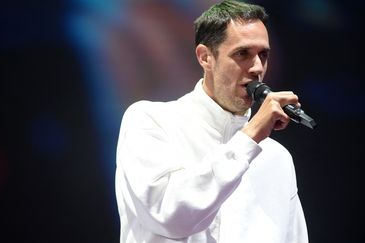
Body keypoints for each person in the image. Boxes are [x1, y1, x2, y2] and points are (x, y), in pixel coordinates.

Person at [115, 0, 308, 242]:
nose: (257, 67)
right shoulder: (150, 121)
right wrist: (250, 137)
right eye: (242, 54)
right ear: (205, 57)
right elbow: (172, 218)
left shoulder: (276, 158)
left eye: (263, 54)